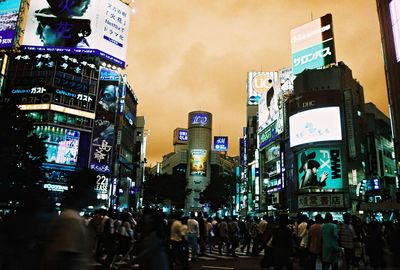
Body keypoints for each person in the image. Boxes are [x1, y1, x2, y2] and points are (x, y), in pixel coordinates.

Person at [42, 169, 98, 270]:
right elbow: (65, 261)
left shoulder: (72, 217)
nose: (95, 192)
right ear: (84, 190)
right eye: (93, 187)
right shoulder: (71, 220)